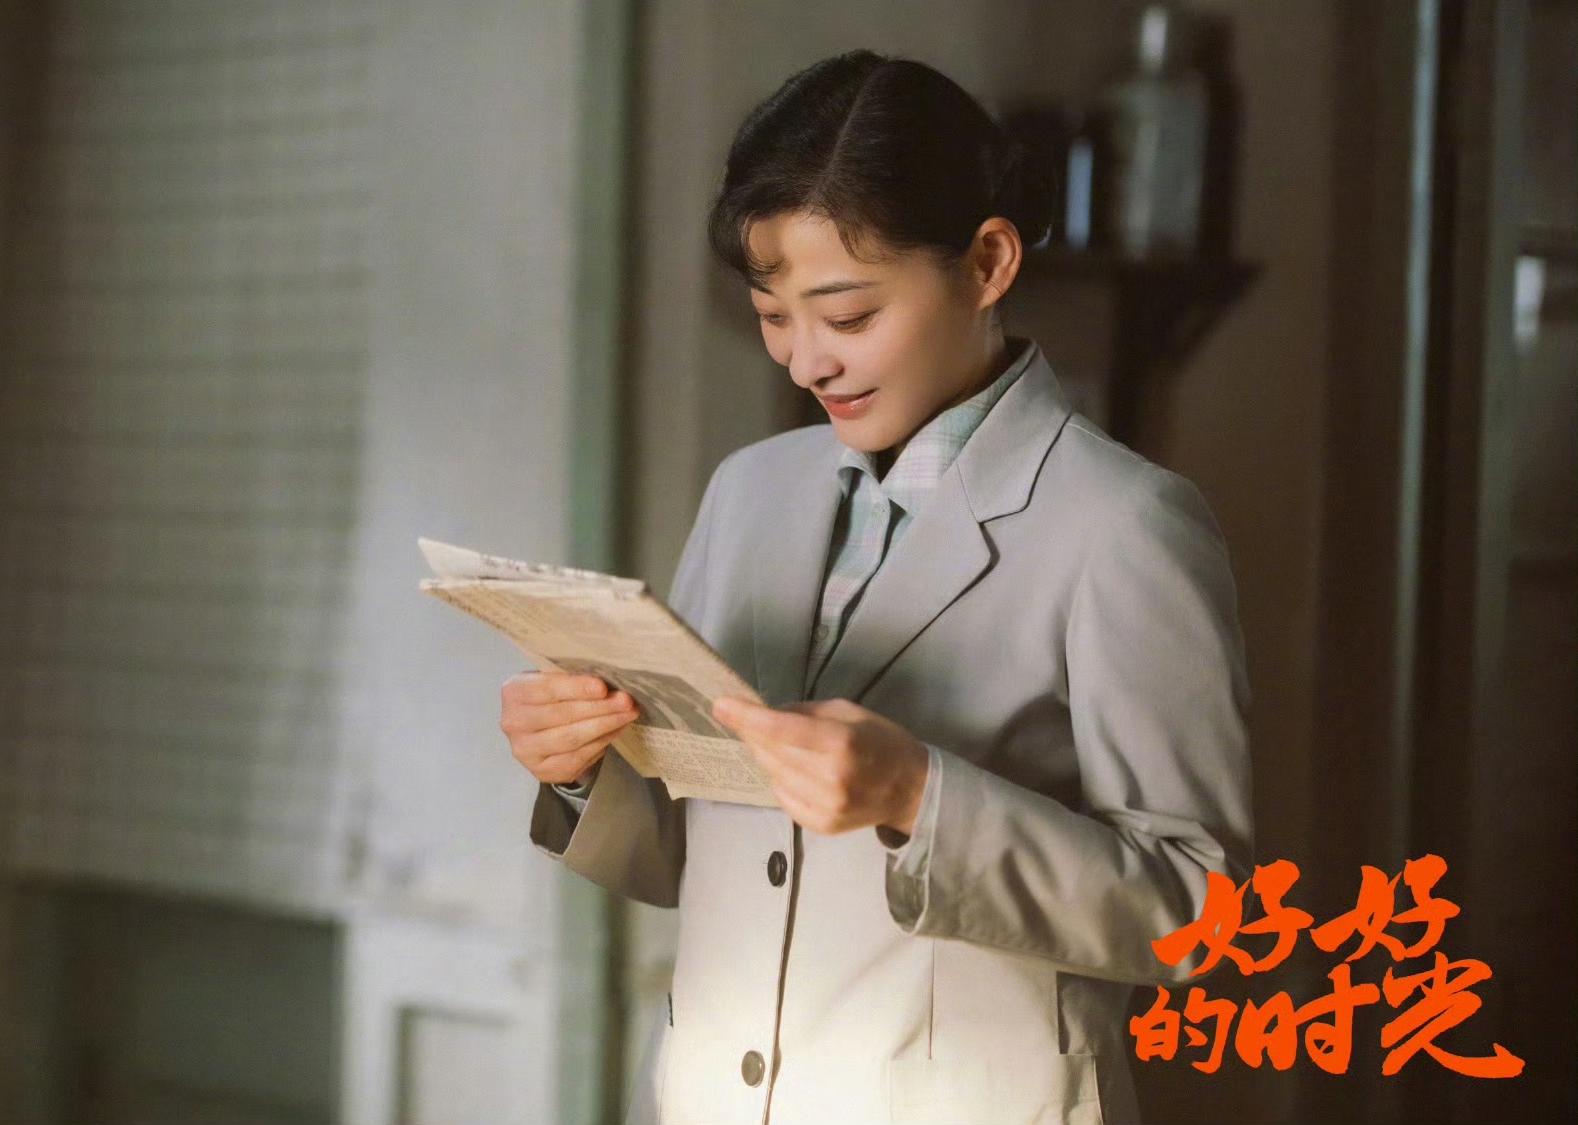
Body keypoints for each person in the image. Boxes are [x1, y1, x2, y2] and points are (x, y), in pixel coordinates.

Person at [499, 50, 1252, 1125]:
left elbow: (1200, 912)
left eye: (846, 316)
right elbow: (696, 853)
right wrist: (582, 768)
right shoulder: (748, 490)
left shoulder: (1123, 523)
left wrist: (917, 796)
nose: (805, 361)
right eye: (772, 315)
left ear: (988, 262)